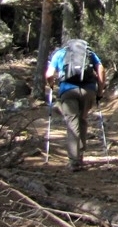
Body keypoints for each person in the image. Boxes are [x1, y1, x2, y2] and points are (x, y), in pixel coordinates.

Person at [45, 39, 106, 172]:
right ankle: (80, 155)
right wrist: (100, 91)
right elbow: (100, 69)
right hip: (88, 91)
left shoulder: (60, 53)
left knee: (72, 122)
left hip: (67, 91)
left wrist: (51, 85)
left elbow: (49, 74)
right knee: (82, 119)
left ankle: (74, 161)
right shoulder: (89, 53)